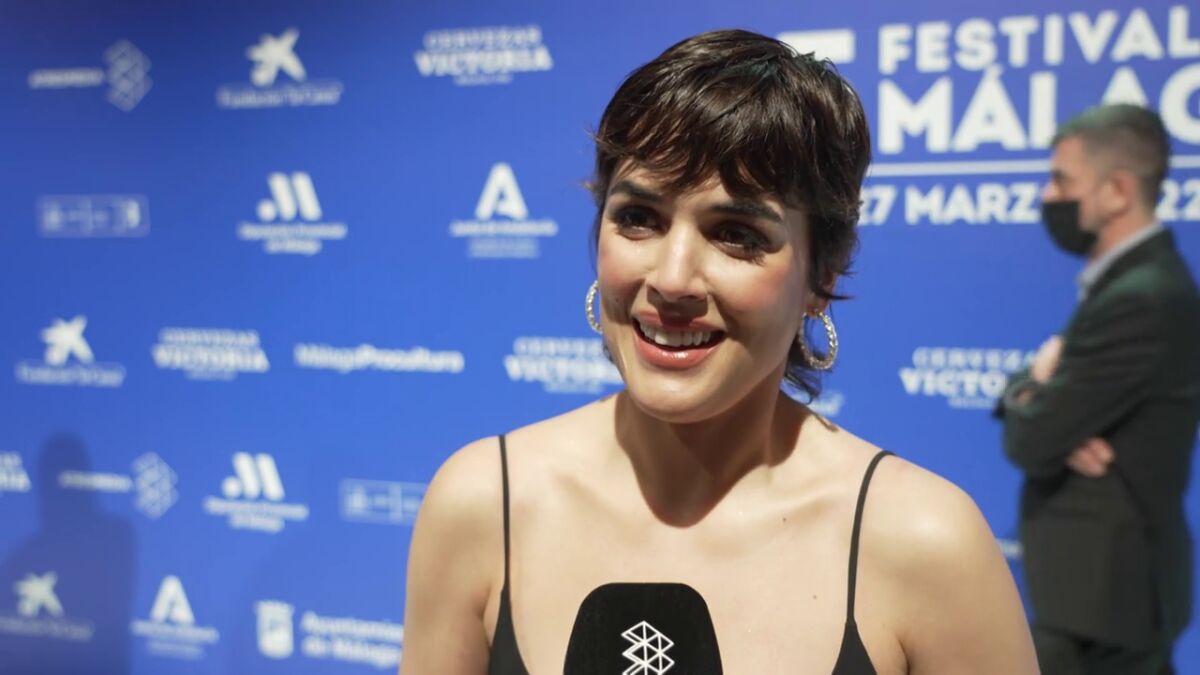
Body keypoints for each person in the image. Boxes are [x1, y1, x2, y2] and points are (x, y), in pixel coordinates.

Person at [402, 29, 1037, 674]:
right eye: (639, 218)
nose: (672, 278)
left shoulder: (927, 543)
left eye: (735, 234)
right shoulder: (483, 501)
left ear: (821, 278)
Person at [999, 103, 1200, 674]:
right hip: (1095, 597)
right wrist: (1035, 390)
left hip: (1106, 605)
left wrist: (1039, 402)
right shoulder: (1128, 284)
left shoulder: (1144, 296)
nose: (1048, 196)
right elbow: (1043, 406)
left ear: (1118, 191)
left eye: (1062, 180)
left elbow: (1032, 440)